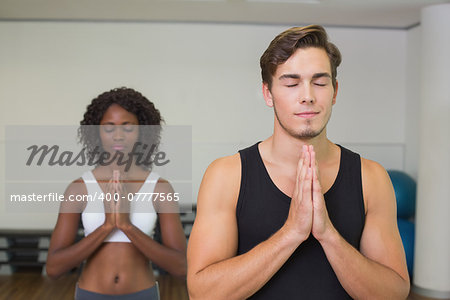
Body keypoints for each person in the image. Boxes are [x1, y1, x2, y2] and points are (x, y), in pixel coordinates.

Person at [187, 25, 410, 299]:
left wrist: (328, 235)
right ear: (268, 94)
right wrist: (291, 233)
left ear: (335, 91)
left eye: (319, 82)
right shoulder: (226, 175)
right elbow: (203, 293)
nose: (308, 95)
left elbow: (394, 292)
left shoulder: (371, 178)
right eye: (291, 83)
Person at [46, 87, 187, 299]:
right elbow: (54, 268)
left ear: (142, 131)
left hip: (143, 294)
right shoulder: (79, 188)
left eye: (127, 126)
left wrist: (126, 226)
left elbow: (181, 267)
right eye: (109, 127)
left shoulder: (160, 188)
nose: (118, 135)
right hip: (90, 294)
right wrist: (107, 226)